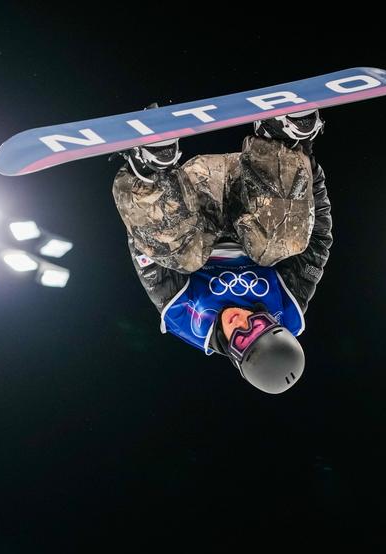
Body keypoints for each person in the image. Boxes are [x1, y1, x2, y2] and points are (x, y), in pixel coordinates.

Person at [112, 108, 332, 393]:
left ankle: (150, 166)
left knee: (184, 258)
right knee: (285, 244)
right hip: (252, 190)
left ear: (234, 355)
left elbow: (149, 260)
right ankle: (278, 139)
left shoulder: (189, 320)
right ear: (275, 323)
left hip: (190, 204)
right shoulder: (288, 306)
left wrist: (150, 201)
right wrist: (305, 163)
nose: (242, 322)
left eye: (240, 338)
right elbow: (317, 239)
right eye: (259, 323)